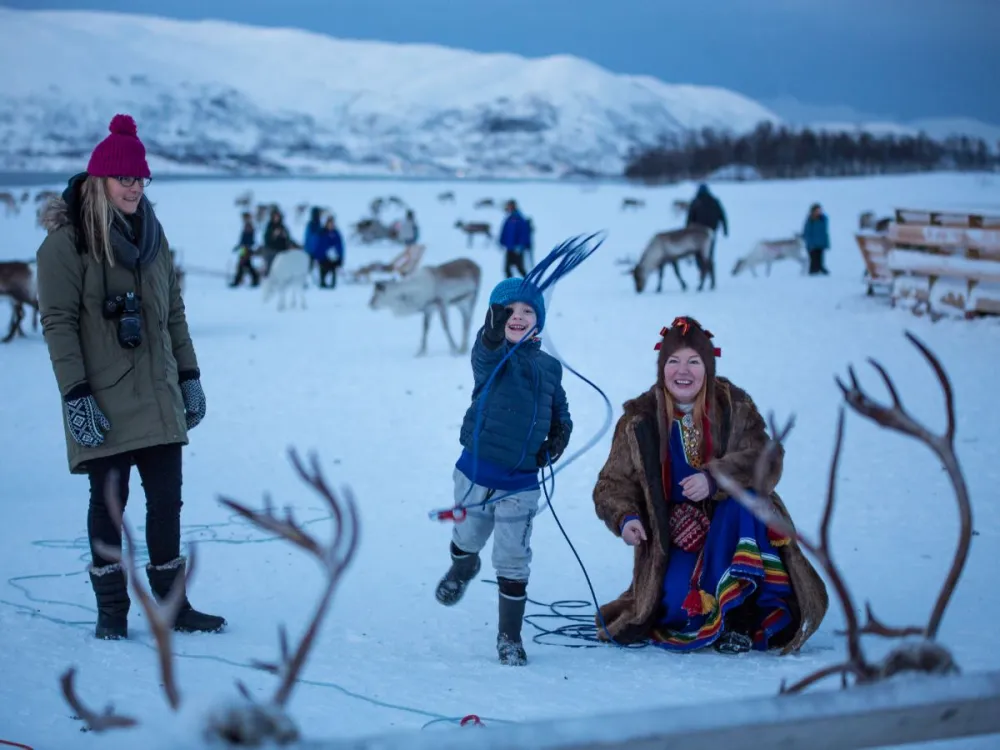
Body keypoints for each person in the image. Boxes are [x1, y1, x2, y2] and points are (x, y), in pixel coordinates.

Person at [35, 113, 226, 640]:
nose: (135, 187)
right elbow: (58, 324)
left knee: (167, 502)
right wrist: (76, 396)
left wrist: (188, 375)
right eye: (126, 179)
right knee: (109, 505)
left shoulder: (154, 239)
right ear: (100, 181)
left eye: (142, 179)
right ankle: (112, 613)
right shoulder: (66, 245)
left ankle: (172, 609)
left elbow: (174, 314)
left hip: (159, 394)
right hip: (102, 398)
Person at [591, 316, 827, 654]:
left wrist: (714, 478)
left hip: (731, 525)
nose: (682, 371)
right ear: (662, 368)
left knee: (744, 498)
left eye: (693, 361)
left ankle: (742, 618)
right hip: (674, 537)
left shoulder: (733, 405)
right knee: (674, 609)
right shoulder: (638, 420)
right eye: (673, 362)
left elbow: (766, 458)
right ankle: (714, 604)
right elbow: (610, 484)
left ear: (708, 367)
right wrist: (626, 517)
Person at [435, 277, 572, 666]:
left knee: (513, 556)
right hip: (476, 472)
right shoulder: (492, 358)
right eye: (509, 311)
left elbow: (560, 410)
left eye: (528, 311)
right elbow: (485, 352)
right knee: (468, 534)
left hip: (522, 480)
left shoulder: (549, 367)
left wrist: (560, 434)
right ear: (496, 317)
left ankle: (509, 637)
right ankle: (463, 567)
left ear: (539, 321)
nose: (519, 317)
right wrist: (490, 334)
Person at [685, 184, 728, 290]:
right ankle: (711, 278)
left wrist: (686, 232)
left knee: (699, 256)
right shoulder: (714, 201)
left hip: (697, 234)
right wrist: (725, 229)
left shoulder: (696, 202)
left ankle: (703, 274)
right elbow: (722, 216)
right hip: (711, 233)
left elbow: (689, 218)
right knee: (709, 256)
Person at [498, 200, 531, 278]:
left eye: (509, 206)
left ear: (513, 206)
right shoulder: (509, 218)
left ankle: (527, 283)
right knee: (507, 269)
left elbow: (524, 233)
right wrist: (501, 242)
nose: (507, 208)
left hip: (517, 249)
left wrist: (520, 245)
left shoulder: (520, 219)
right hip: (509, 248)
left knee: (520, 268)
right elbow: (505, 232)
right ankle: (510, 285)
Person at [230, 211, 259, 287]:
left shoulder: (249, 226)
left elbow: (249, 239)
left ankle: (238, 280)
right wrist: (238, 246)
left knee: (242, 265)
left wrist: (246, 247)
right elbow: (243, 239)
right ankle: (254, 279)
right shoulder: (247, 226)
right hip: (243, 248)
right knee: (246, 265)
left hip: (246, 249)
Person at [315, 215, 344, 289]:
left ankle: (332, 285)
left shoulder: (336, 234)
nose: (331, 225)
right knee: (323, 271)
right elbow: (319, 245)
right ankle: (322, 283)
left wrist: (340, 257)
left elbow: (340, 246)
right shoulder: (322, 233)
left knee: (333, 270)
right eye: (329, 223)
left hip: (334, 258)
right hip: (323, 258)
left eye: (332, 224)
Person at [803, 203, 830, 275]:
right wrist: (809, 243)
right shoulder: (810, 221)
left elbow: (824, 233)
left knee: (820, 258)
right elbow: (807, 232)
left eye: (819, 210)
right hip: (812, 244)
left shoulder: (823, 219)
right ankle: (813, 271)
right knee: (813, 259)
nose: (818, 212)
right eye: (817, 210)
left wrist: (825, 242)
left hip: (821, 243)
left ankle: (820, 268)